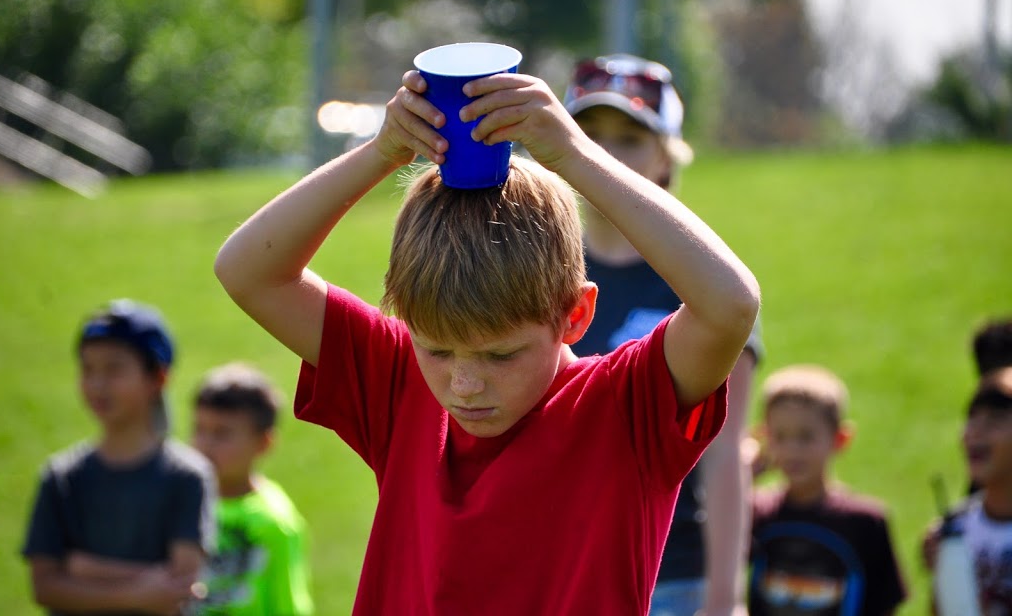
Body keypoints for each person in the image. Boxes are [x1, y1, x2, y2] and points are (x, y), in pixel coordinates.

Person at [214, 64, 760, 613]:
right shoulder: (399, 382)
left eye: (501, 354)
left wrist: (573, 154)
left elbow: (730, 304)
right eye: (437, 349)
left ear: (575, 315)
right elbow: (247, 270)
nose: (464, 385)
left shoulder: (624, 406)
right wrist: (383, 152)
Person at [564, 53, 762, 616]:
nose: (604, 154)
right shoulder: (534, 270)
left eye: (629, 138)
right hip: (560, 564)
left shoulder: (705, 282)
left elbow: (726, 453)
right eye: (588, 135)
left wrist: (724, 597)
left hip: (673, 576)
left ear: (666, 157)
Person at [22, 299, 216, 615]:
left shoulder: (188, 476)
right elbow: (44, 587)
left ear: (158, 378)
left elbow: (179, 585)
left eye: (114, 369)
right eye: (87, 369)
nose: (97, 384)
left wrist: (83, 569)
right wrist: (139, 592)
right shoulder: (61, 476)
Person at [746, 364, 907, 616]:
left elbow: (884, 603)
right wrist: (744, 478)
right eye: (780, 436)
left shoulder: (865, 521)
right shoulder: (756, 512)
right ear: (763, 437)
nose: (791, 450)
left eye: (806, 437)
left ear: (840, 438)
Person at [188, 362, 313, 615]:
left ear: (263, 442)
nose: (205, 444)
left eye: (222, 434)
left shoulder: (274, 523)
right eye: (199, 429)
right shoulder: (177, 500)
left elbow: (287, 605)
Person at [923, 367, 1012, 612]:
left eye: (995, 420)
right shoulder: (955, 528)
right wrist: (944, 573)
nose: (974, 431)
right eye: (972, 417)